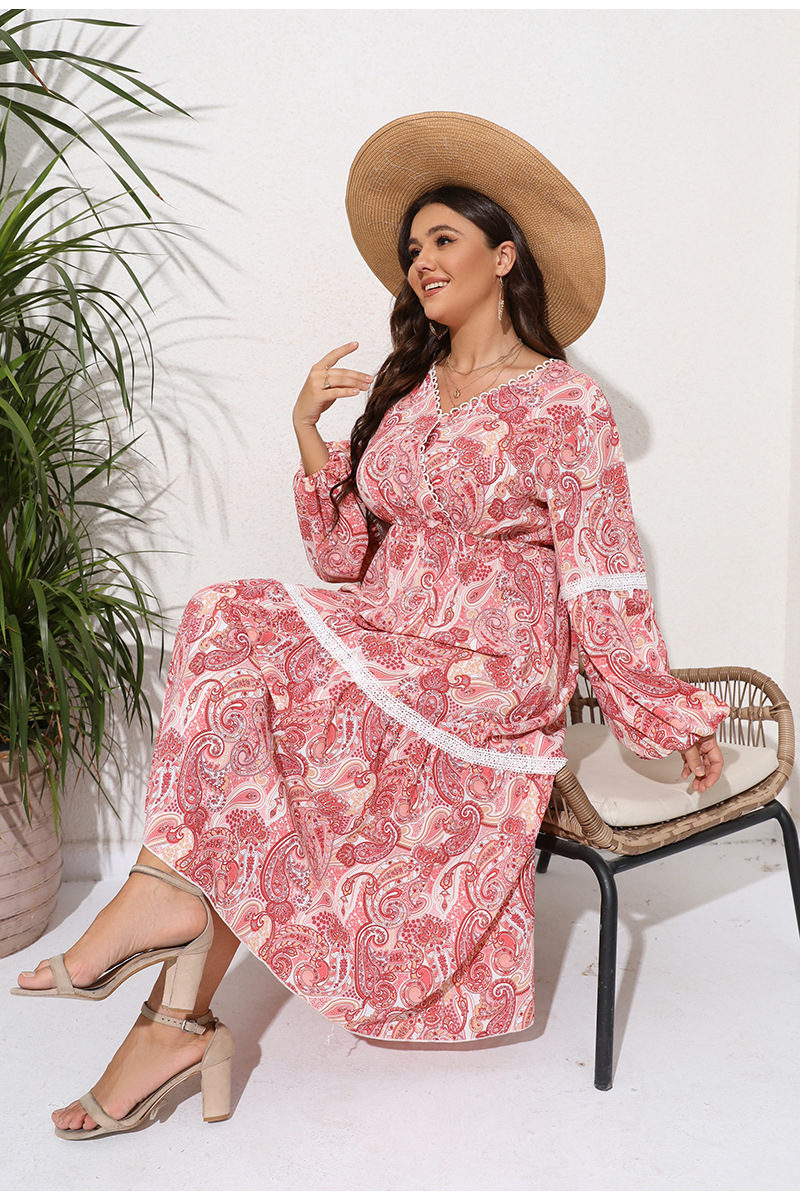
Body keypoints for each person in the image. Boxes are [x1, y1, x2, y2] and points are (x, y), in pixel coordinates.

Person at [12, 111, 726, 1138]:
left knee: (237, 630)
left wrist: (658, 711)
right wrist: (309, 432)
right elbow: (344, 558)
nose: (420, 260)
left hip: (490, 664)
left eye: (442, 238)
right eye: (411, 247)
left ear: (503, 255)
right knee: (240, 681)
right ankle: (174, 1014)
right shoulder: (411, 390)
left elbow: (602, 570)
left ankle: (163, 923)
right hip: (390, 633)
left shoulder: (564, 403)